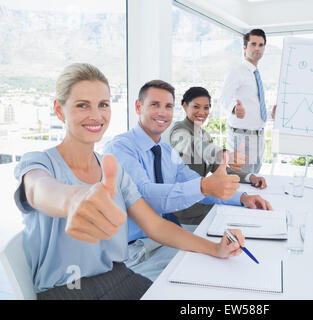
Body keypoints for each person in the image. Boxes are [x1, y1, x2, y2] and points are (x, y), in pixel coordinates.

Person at [14, 63, 244, 300]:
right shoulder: (40, 162)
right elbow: (38, 189)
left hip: (118, 275)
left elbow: (155, 226)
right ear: (59, 110)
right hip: (69, 289)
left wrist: (215, 248)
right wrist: (72, 199)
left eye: (103, 105)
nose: (96, 115)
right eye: (82, 105)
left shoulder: (113, 169)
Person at [104, 80, 272, 281]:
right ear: (138, 107)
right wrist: (205, 185)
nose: (162, 112)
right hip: (139, 250)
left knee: (233, 263)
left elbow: (194, 181)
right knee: (214, 276)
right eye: (154, 104)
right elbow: (146, 196)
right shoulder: (121, 148)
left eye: (168, 106)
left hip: (168, 237)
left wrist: (242, 198)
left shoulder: (165, 151)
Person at [169, 86, 269, 225]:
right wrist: (223, 154)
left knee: (247, 212)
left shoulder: (205, 135)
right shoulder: (178, 130)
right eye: (196, 106)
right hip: (183, 208)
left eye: (206, 107)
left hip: (201, 199)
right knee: (237, 217)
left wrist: (250, 177)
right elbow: (195, 146)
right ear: (185, 106)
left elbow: (218, 167)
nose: (202, 112)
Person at [220, 28, 274, 174]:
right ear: (245, 48)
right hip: (241, 138)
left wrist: (270, 114)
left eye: (261, 45)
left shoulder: (256, 73)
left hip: (259, 138)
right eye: (253, 44)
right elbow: (224, 99)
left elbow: (254, 106)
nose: (257, 48)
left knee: (254, 178)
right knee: (240, 182)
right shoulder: (237, 71)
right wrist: (234, 109)